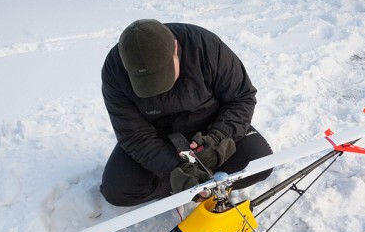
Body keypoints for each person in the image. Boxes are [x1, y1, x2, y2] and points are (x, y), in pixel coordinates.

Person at [100, 19, 273, 207]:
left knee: (260, 163)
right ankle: (188, 184)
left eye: (162, 75)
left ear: (175, 48)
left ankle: (209, 178)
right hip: (159, 138)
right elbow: (134, 135)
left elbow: (241, 98)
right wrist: (174, 170)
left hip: (209, 126)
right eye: (146, 82)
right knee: (118, 190)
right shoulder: (114, 71)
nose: (158, 88)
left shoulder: (205, 47)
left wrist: (218, 139)